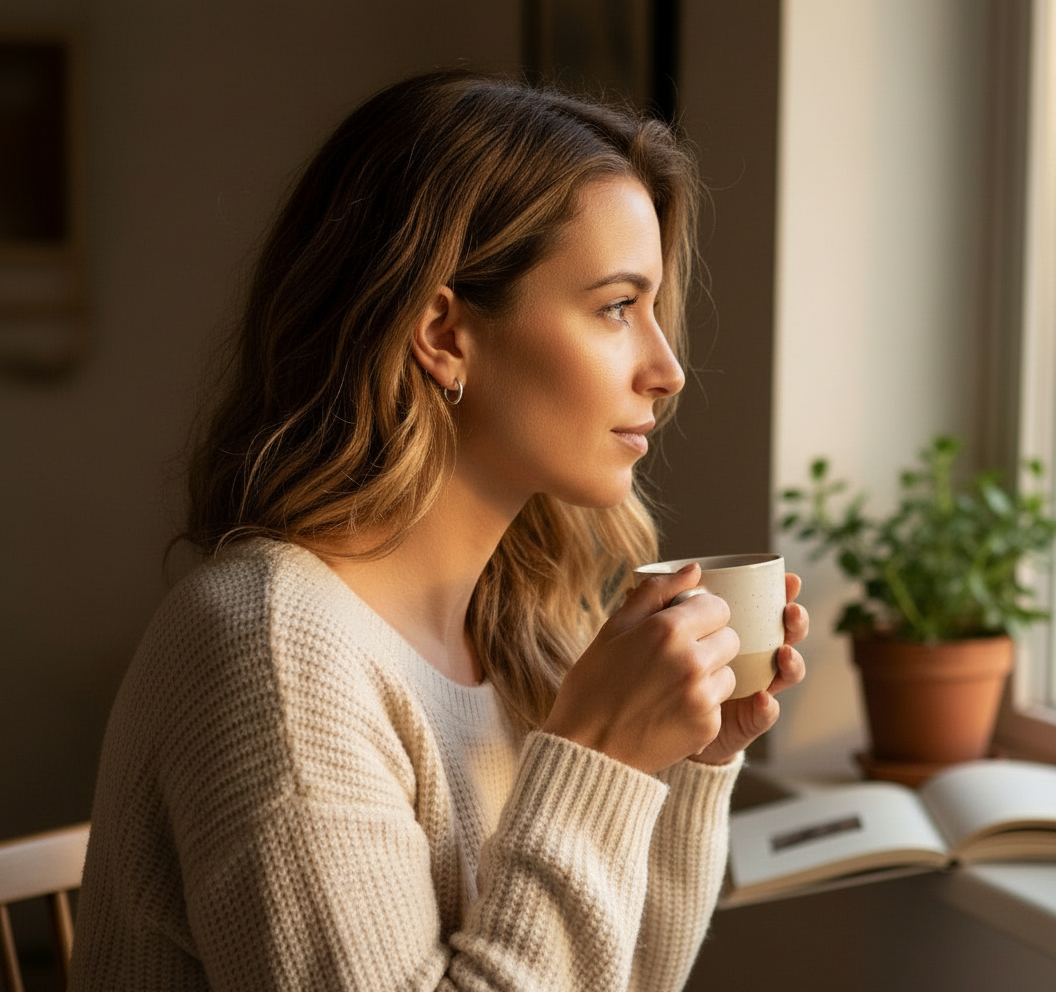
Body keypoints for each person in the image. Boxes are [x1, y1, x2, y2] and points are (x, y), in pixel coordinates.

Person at [69, 67, 807, 991]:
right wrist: (597, 756)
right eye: (617, 308)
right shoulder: (272, 651)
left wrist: (679, 763)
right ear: (444, 335)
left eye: (653, 309)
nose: (668, 368)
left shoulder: (519, 634)